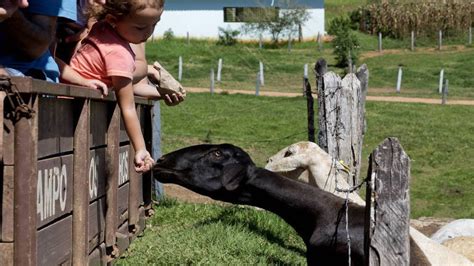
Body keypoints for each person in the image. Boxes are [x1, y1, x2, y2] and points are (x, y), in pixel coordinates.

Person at [61, 0, 168, 173]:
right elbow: (128, 107)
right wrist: (140, 148)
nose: (148, 33)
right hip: (69, 112)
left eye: (154, 25)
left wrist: (160, 92)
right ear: (112, 19)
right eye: (140, 27)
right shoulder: (119, 55)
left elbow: (126, 86)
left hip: (64, 99)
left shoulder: (102, 27)